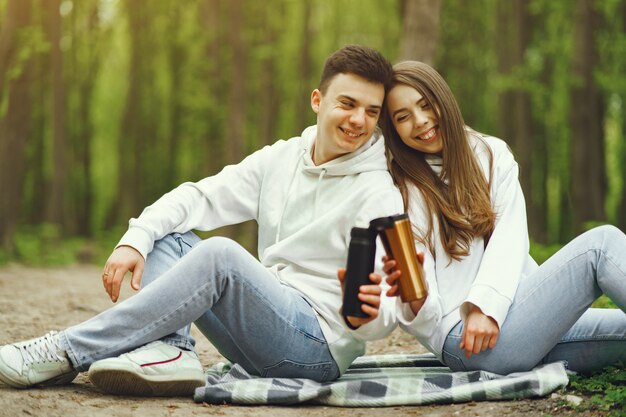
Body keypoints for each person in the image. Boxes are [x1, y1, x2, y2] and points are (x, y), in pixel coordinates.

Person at [0, 45, 404, 396]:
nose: (358, 121)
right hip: (265, 324)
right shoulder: (281, 158)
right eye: (347, 104)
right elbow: (200, 196)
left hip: (315, 349)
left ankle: (66, 350)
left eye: (371, 112)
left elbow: (391, 300)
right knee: (167, 236)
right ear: (317, 100)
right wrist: (135, 238)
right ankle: (171, 350)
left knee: (221, 256)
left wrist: (370, 317)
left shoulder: (377, 192)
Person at [378, 60, 626, 375]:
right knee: (599, 246)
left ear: (444, 99)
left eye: (426, 105)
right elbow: (424, 310)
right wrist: (469, 308)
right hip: (465, 338)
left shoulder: (491, 154)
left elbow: (509, 241)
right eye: (403, 117)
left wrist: (489, 306)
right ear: (393, 129)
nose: (421, 120)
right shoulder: (399, 190)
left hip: (518, 316)